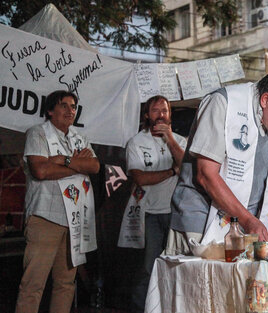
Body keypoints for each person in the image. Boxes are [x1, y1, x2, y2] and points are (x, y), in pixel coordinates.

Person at [165, 69, 268, 254]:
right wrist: (248, 220)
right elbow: (206, 175)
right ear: (266, 100)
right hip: (201, 221)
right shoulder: (223, 103)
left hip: (247, 225)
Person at [16, 90, 100, 313]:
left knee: (65, 284)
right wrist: (75, 166)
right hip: (46, 216)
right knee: (33, 284)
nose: (70, 111)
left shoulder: (79, 138)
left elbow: (94, 167)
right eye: (64, 105)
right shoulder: (38, 133)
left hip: (73, 220)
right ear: (50, 110)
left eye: (73, 107)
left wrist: (63, 160)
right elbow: (41, 170)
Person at [117, 95, 186, 313]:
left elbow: (188, 169)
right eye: (155, 111)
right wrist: (171, 171)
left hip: (177, 213)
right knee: (149, 268)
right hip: (150, 213)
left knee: (177, 265)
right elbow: (141, 178)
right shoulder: (137, 142)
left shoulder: (181, 141)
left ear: (170, 114)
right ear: (147, 115)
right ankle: (142, 308)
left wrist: (170, 140)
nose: (160, 115)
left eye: (164, 111)